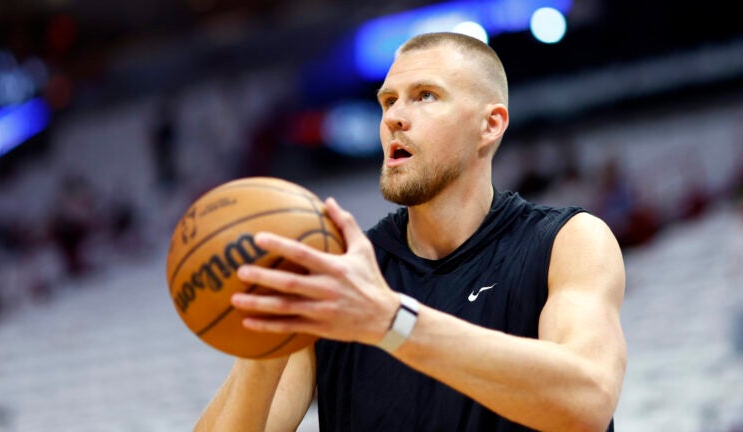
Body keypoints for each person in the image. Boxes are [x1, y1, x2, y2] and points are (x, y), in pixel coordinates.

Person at [195, 32, 627, 432]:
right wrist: (265, 346)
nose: (395, 118)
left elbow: (587, 400)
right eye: (387, 102)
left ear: (490, 124)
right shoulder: (340, 278)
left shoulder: (568, 241)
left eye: (425, 96)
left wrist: (391, 321)